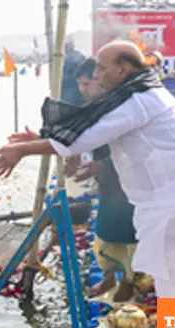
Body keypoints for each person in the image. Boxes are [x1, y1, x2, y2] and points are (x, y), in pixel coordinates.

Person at [0, 40, 175, 328]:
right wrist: (39, 139)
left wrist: (25, 150)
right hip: (163, 205)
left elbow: (83, 139)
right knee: (170, 285)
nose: (97, 74)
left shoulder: (140, 99)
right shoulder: (137, 95)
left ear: (124, 67)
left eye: (102, 68)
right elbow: (98, 141)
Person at [63, 57, 144, 303]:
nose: (82, 90)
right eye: (80, 84)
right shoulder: (94, 106)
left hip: (130, 183)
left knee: (129, 233)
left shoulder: (126, 107)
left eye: (87, 84)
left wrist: (101, 164)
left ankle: (129, 281)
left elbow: (138, 150)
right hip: (108, 182)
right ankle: (109, 277)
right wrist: (75, 155)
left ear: (101, 82)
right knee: (105, 231)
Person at [61, 37, 86, 105]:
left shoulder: (66, 60)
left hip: (72, 97)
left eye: (67, 45)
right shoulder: (81, 57)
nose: (65, 48)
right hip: (74, 96)